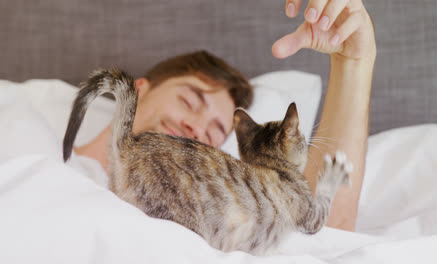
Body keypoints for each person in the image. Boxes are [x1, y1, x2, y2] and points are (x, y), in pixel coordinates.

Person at [75, 0, 376, 232]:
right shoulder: (41, 151)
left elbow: (326, 235)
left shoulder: (212, 212)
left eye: (213, 133)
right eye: (189, 100)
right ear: (138, 89)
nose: (194, 128)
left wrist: (354, 63)